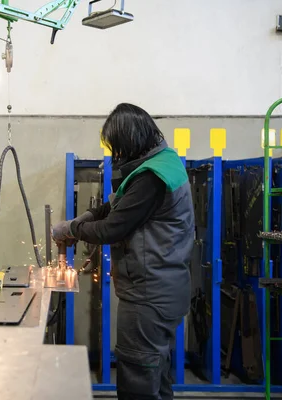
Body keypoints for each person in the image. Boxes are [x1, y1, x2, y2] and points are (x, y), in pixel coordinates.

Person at [52, 103, 194, 400]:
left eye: (118, 147)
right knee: (156, 374)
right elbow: (113, 207)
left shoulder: (152, 177)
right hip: (165, 291)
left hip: (148, 297)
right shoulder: (162, 163)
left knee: (138, 382)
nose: (116, 154)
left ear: (130, 141)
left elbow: (111, 229)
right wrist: (81, 220)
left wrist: (70, 231)